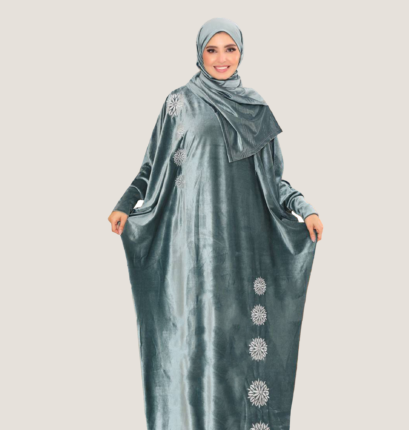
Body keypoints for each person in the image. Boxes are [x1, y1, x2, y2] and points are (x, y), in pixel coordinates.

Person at [108, 17, 323, 430]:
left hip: (243, 254)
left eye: (230, 49)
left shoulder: (256, 109)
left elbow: (275, 179)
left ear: (241, 52)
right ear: (199, 53)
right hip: (190, 255)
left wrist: (304, 207)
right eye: (212, 49)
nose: (221, 58)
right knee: (194, 350)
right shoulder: (179, 103)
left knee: (238, 351)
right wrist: (126, 202)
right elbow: (152, 167)